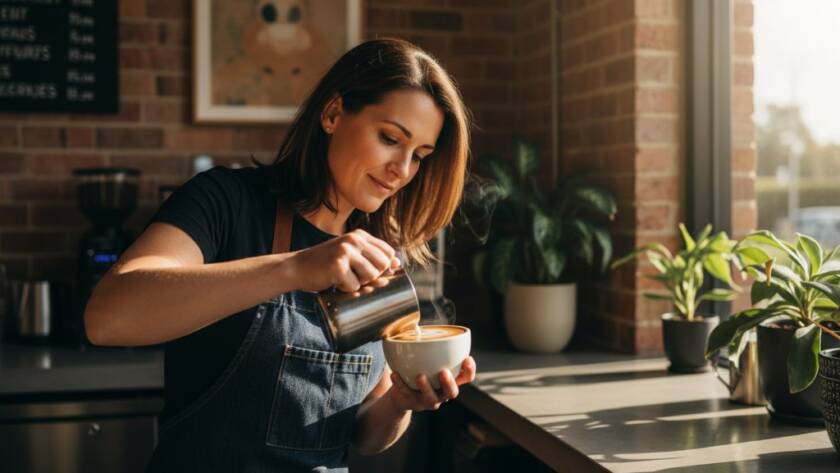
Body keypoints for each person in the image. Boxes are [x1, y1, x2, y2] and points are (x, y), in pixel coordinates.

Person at [84, 38, 477, 472]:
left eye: (419, 156)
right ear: (332, 114)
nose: (401, 170)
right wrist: (294, 267)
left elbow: (364, 430)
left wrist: (401, 402)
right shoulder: (227, 202)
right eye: (389, 139)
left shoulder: (379, 255)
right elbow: (107, 317)